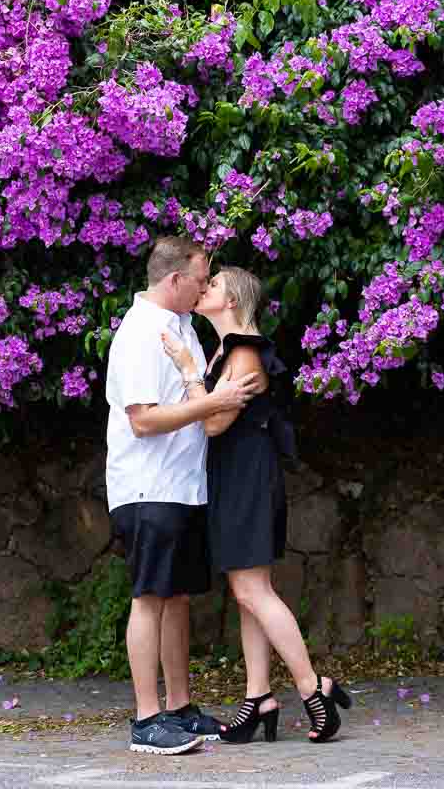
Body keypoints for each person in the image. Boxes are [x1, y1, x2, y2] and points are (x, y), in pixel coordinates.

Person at [162, 265, 351, 744]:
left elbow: (212, 425)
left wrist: (188, 371)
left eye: (216, 285)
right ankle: (259, 697)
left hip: (248, 478)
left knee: (254, 592)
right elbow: (212, 414)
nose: (206, 288)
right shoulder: (226, 352)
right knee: (246, 593)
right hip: (231, 478)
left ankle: (314, 691)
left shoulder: (246, 352)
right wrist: (202, 380)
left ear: (232, 301)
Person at [106, 237, 261, 755]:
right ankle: (146, 720)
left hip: (183, 486)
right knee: (149, 597)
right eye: (201, 277)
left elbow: (200, 408)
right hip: (147, 485)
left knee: (176, 598)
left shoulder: (183, 330)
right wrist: (213, 401)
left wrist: (210, 401)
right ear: (175, 280)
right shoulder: (140, 333)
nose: (204, 286)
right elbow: (143, 418)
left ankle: (179, 707)